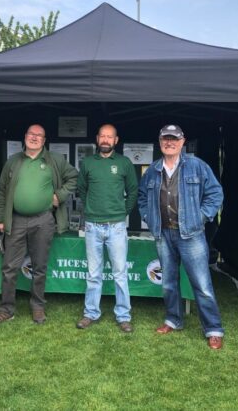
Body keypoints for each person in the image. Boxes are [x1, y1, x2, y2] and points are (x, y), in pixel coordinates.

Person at [138, 124, 225, 349]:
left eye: (174, 139)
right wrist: (149, 217)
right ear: (160, 142)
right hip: (163, 234)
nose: (170, 142)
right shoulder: (153, 170)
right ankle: (173, 320)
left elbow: (216, 194)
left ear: (182, 141)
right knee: (168, 282)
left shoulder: (197, 166)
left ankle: (213, 329)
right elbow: (141, 197)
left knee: (202, 284)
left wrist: (202, 216)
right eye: (165, 138)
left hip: (191, 234)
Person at [0, 124, 78, 327]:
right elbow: (1, 190)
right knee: (9, 267)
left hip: (43, 220)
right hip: (16, 220)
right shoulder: (13, 161)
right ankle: (6, 309)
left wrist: (59, 196)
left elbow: (73, 177)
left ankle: (37, 306)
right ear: (25, 137)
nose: (34, 138)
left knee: (39, 266)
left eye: (39, 135)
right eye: (31, 134)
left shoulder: (55, 160)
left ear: (44, 141)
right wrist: (0, 218)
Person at [76, 124, 138, 333]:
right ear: (97, 138)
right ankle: (90, 313)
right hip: (92, 226)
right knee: (94, 273)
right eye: (102, 136)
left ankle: (123, 316)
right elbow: (82, 190)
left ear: (116, 140)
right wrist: (91, 210)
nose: (105, 140)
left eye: (109, 137)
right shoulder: (87, 163)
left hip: (117, 227)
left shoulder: (124, 163)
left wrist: (122, 213)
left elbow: (132, 191)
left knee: (120, 273)